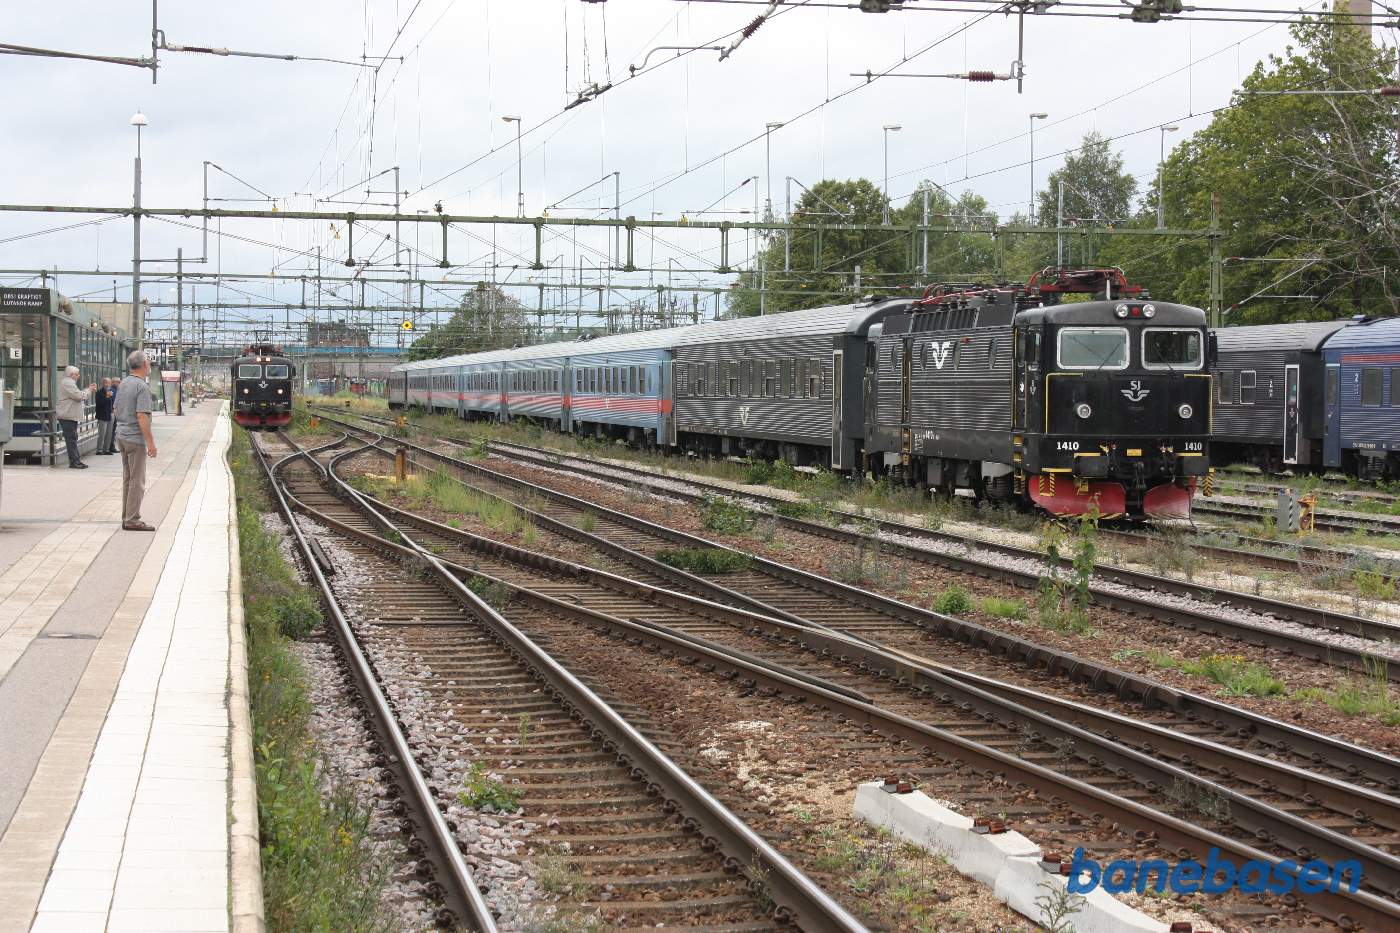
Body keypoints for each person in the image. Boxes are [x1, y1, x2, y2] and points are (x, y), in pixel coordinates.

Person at [113, 351, 158, 531]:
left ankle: (126, 517)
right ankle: (132, 520)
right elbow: (142, 416)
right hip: (134, 439)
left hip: (121, 436)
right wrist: (150, 443)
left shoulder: (123, 383)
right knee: (137, 481)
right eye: (148, 362)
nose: (149, 365)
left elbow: (116, 410)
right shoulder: (141, 386)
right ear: (144, 365)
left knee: (128, 479)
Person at [56, 365, 98, 469]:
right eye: (77, 374)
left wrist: (86, 390)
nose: (78, 376)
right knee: (71, 439)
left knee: (73, 438)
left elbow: (78, 394)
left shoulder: (69, 382)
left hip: (69, 415)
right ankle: (74, 462)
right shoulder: (68, 382)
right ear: (72, 374)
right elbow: (78, 396)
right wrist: (89, 390)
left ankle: (76, 460)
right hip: (67, 415)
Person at [94, 377, 117, 455]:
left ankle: (106, 449)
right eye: (105, 383)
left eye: (108, 383)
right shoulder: (99, 392)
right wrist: (107, 396)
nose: (107, 384)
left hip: (110, 414)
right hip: (103, 415)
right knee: (102, 433)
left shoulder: (110, 392)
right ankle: (99, 450)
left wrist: (113, 409)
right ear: (102, 384)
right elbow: (101, 403)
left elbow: (113, 402)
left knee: (109, 433)